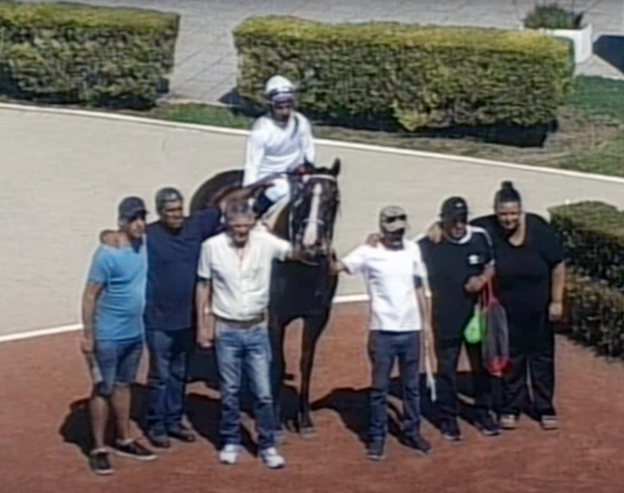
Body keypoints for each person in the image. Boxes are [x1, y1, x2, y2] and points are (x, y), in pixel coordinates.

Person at [195, 201, 299, 469]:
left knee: (263, 392)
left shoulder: (265, 242)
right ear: (227, 225)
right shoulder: (211, 247)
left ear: (252, 224)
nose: (241, 231)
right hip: (227, 329)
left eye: (246, 226)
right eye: (236, 226)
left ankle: (267, 444)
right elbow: (203, 286)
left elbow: (295, 253)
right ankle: (231, 440)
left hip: (257, 329)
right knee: (230, 391)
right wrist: (203, 326)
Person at [333, 206, 435, 461]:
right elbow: (337, 267)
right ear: (382, 229)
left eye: (400, 231)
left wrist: (426, 324)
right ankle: (377, 437)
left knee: (412, 387)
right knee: (379, 389)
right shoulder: (368, 252)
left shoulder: (412, 249)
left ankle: (412, 431)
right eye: (392, 231)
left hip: (411, 329)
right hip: (382, 332)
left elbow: (419, 287)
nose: (397, 236)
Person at [471, 182, 565, 431]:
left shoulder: (538, 229)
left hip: (539, 310)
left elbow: (558, 265)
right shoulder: (486, 228)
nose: (508, 219)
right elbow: (459, 229)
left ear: (521, 211)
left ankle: (544, 407)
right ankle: (511, 407)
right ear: (495, 211)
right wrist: (438, 227)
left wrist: (557, 300)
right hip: (506, 312)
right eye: (503, 213)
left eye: (513, 213)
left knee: (542, 360)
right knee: (512, 360)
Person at [80, 196, 156, 475]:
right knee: (103, 388)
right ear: (122, 221)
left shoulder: (144, 245)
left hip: (135, 333)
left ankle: (124, 439)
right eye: (133, 219)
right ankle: (99, 448)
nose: (139, 224)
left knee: (124, 385)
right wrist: (89, 334)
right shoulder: (106, 255)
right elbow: (90, 295)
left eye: (142, 218)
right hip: (108, 335)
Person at [142, 188, 221, 447]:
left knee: (179, 373)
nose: (177, 215)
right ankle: (157, 425)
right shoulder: (149, 234)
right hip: (158, 319)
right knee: (160, 376)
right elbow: (120, 236)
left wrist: (261, 185)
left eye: (179, 209)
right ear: (160, 212)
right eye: (171, 211)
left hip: (188, 319)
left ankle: (174, 421)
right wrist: (107, 236)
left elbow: (228, 206)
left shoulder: (195, 225)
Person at [418, 197, 499, 441]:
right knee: (447, 370)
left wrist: (482, 279)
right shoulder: (428, 243)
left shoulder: (480, 237)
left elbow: (492, 264)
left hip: (476, 317)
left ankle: (483, 413)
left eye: (463, 219)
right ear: (443, 220)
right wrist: (375, 239)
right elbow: (398, 249)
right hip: (445, 317)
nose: (459, 225)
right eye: (453, 220)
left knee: (481, 367)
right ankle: (448, 418)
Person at [243, 75, 315, 217]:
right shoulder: (261, 130)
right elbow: (253, 163)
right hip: (269, 176)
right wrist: (249, 191)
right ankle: (256, 214)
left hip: (296, 173)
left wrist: (308, 168)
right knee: (281, 190)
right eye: (280, 107)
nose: (285, 112)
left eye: (289, 106)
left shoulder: (301, 122)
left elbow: (308, 148)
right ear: (271, 106)